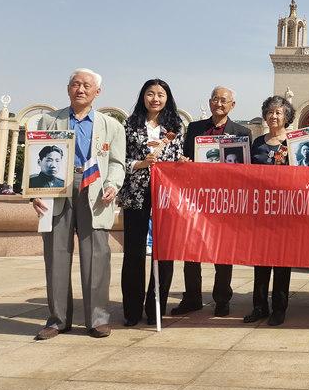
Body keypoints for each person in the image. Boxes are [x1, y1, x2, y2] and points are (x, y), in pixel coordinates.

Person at [31, 68, 126, 340]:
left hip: (95, 190)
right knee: (56, 255)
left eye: (86, 85)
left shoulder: (112, 125)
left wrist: (112, 184)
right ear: (68, 88)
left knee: (97, 255)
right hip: (56, 190)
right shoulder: (48, 121)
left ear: (98, 91)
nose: (80, 89)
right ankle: (57, 320)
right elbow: (35, 157)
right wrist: (33, 192)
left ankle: (97, 319)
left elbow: (118, 164)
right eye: (75, 84)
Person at [171, 86, 251, 318]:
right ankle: (192, 297)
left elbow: (246, 170)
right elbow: (184, 159)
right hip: (196, 199)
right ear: (209, 102)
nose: (219, 103)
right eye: (215, 99)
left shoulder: (242, 132)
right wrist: (184, 161)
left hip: (225, 201)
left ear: (232, 105)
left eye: (224, 100)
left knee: (223, 252)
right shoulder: (195, 129)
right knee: (191, 250)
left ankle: (222, 298)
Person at [119, 78, 185, 326]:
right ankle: (132, 310)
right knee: (134, 252)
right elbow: (119, 160)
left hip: (165, 195)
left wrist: (183, 164)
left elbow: (178, 160)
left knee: (164, 252)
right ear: (142, 96)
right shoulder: (129, 125)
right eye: (150, 94)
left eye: (160, 94)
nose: (155, 99)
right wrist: (141, 164)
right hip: (136, 193)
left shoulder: (175, 127)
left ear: (168, 98)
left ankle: (156, 306)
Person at [244, 95, 296, 326]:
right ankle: (259, 306)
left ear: (286, 116)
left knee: (282, 262)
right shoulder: (257, 143)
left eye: (279, 112)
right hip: (261, 212)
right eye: (270, 112)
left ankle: (279, 308)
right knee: (261, 262)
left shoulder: (294, 142)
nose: (274, 116)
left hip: (286, 213)